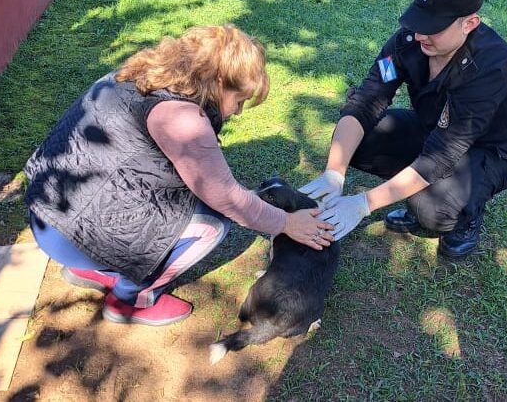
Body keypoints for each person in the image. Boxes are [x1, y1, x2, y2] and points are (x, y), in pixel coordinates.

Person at [24, 24, 334, 326]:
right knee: (213, 222)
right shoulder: (183, 119)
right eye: (239, 100)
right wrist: (287, 222)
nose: (239, 112)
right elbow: (227, 197)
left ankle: (97, 268)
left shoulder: (143, 73)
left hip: (47, 214)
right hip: (72, 234)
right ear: (220, 81)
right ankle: (131, 299)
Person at [300, 0, 507, 258]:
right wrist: (334, 173)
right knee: (356, 143)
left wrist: (363, 203)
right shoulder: (408, 40)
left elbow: (442, 155)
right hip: (435, 128)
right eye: (419, 20)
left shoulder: (489, 68)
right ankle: (417, 187)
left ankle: (465, 214)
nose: (421, 34)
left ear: (469, 23)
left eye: (433, 27)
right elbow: (366, 100)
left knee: (430, 208)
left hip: (491, 149)